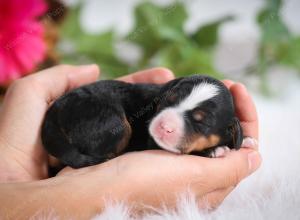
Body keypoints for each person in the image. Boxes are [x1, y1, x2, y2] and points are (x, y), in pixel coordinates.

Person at [0, 64, 261, 219]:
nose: (167, 122)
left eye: (199, 121)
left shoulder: (227, 133)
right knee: (116, 130)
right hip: (85, 110)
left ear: (230, 131)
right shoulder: (151, 107)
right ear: (167, 92)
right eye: (171, 102)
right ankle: (82, 157)